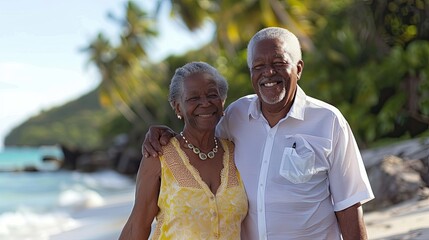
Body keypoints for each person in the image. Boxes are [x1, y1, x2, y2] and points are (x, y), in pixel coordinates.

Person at [143, 27, 374, 240]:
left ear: (299, 68)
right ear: (251, 71)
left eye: (278, 62)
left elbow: (349, 206)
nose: (268, 73)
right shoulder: (235, 116)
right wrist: (163, 135)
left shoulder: (329, 122)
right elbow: (200, 139)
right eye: (259, 66)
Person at [119, 62, 248, 239]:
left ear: (222, 101)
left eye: (212, 95)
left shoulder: (237, 153)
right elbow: (137, 225)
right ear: (178, 107)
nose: (205, 103)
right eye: (193, 98)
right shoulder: (158, 156)